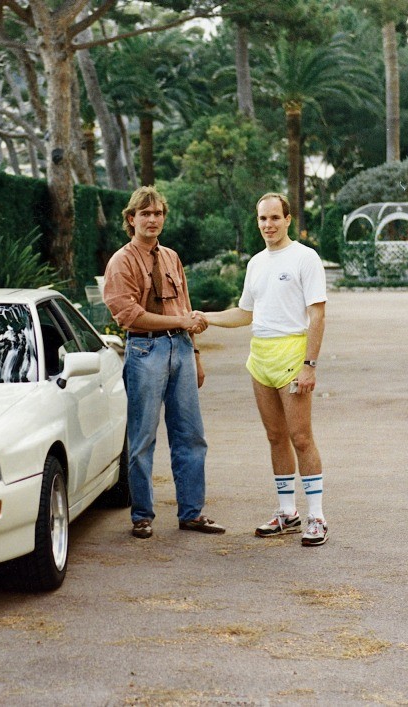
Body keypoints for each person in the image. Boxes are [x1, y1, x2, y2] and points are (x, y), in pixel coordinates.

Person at [204, 193, 329, 546]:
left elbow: (318, 315)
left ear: (288, 220)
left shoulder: (305, 257)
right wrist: (204, 317)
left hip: (292, 356)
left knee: (301, 437)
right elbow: (245, 313)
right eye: (263, 219)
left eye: (275, 218)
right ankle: (287, 512)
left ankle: (317, 517)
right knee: (275, 436)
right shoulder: (256, 263)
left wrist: (309, 365)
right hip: (260, 357)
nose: (268, 225)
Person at [103, 186, 225, 539]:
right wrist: (181, 322)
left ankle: (192, 513)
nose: (153, 219)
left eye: (158, 213)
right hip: (145, 351)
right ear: (131, 219)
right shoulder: (121, 262)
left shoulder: (171, 257)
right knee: (142, 439)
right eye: (145, 214)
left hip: (181, 350)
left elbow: (184, 307)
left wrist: (195, 354)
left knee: (191, 435)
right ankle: (142, 516)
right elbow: (129, 315)